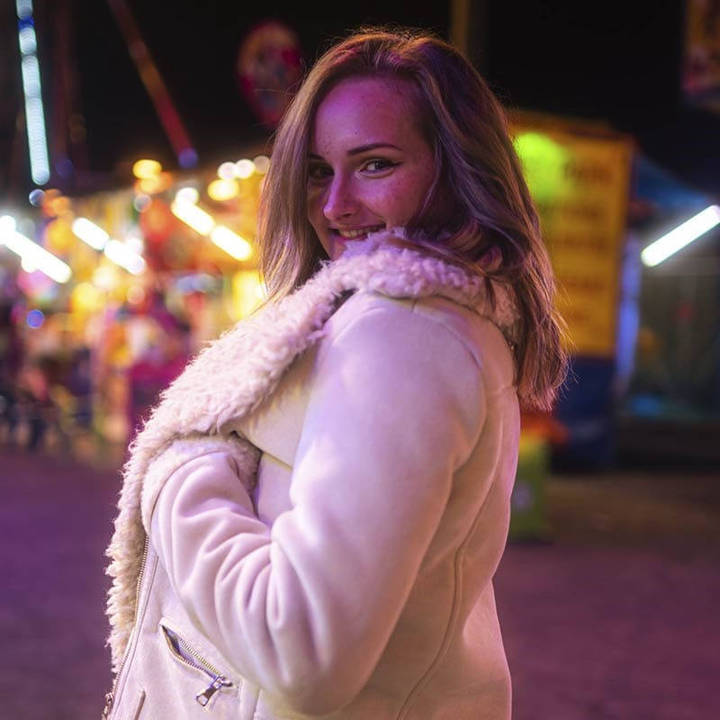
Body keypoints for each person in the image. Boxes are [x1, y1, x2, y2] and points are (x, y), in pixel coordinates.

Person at [103, 28, 566, 720]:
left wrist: (180, 469)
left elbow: (298, 649)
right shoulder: (431, 320)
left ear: (459, 170)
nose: (334, 206)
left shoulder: (403, 331)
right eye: (319, 172)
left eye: (375, 165)